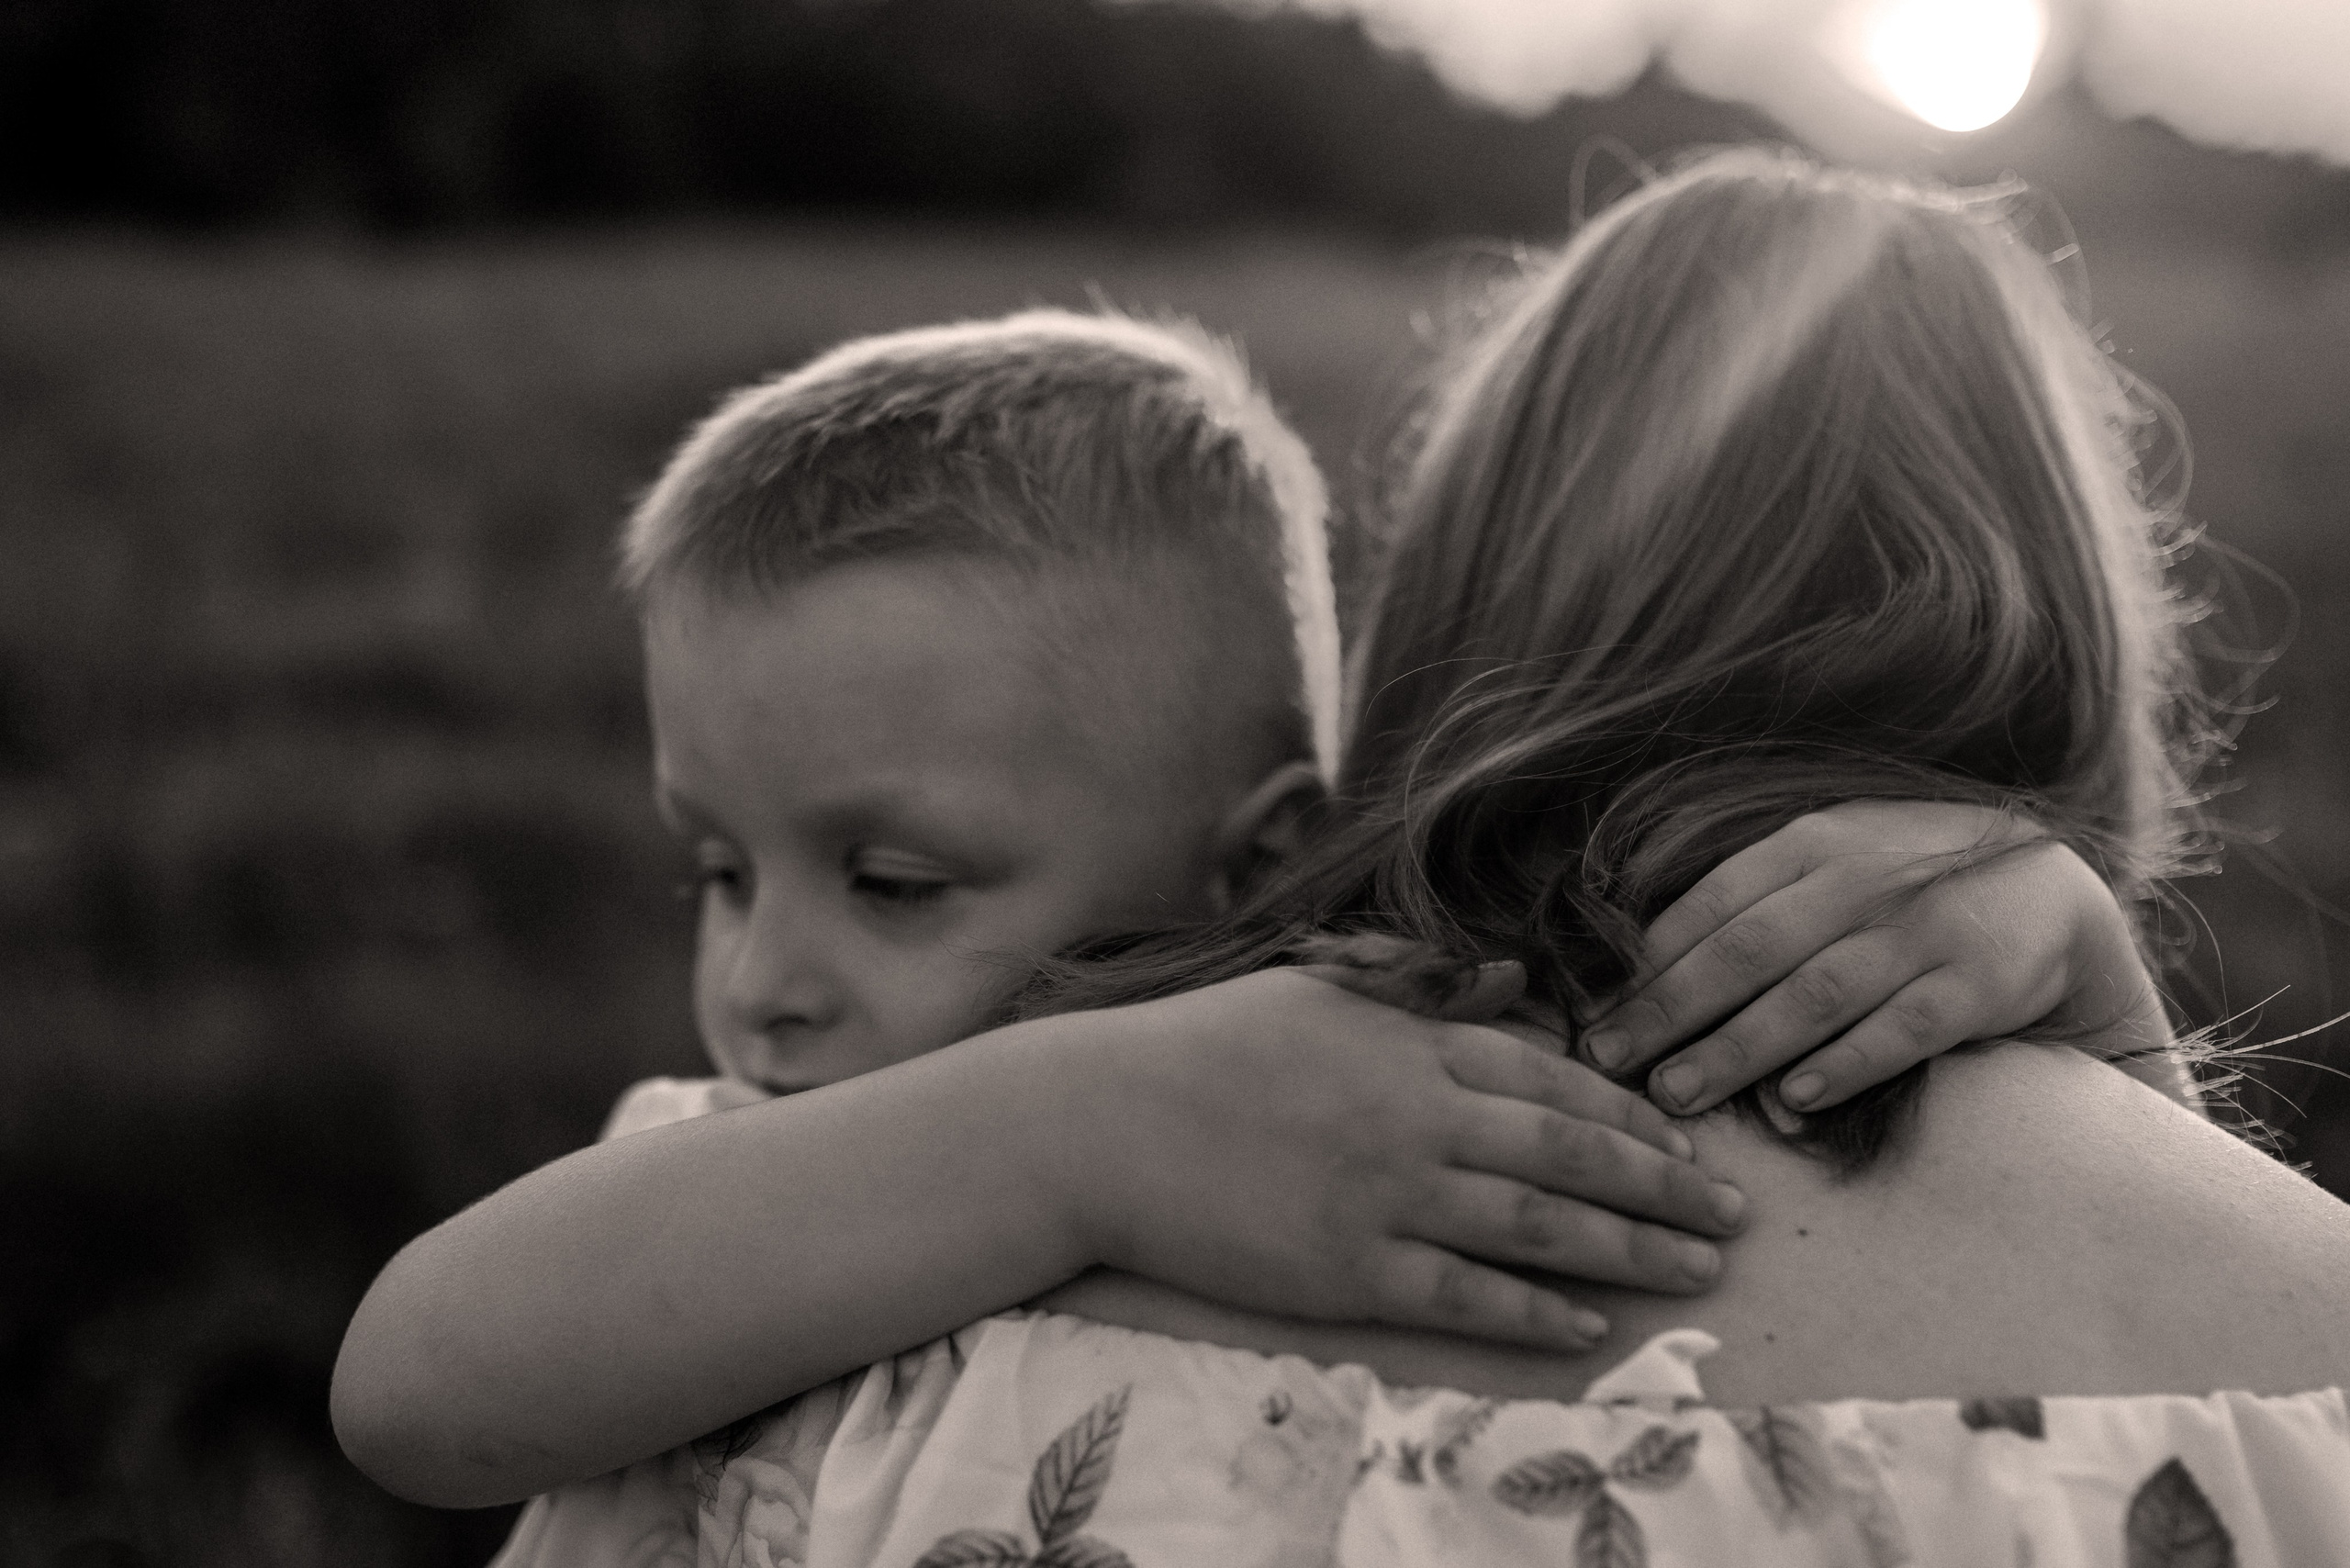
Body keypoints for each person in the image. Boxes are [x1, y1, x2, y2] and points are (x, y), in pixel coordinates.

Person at [331, 295, 2199, 1551]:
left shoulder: (1337, 1092)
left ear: (1263, 857)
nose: (757, 981)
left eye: (888, 883)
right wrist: (1076, 1133)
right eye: (712, 871)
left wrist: (2090, 992)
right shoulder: (759, 1186)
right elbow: (406, 1386)